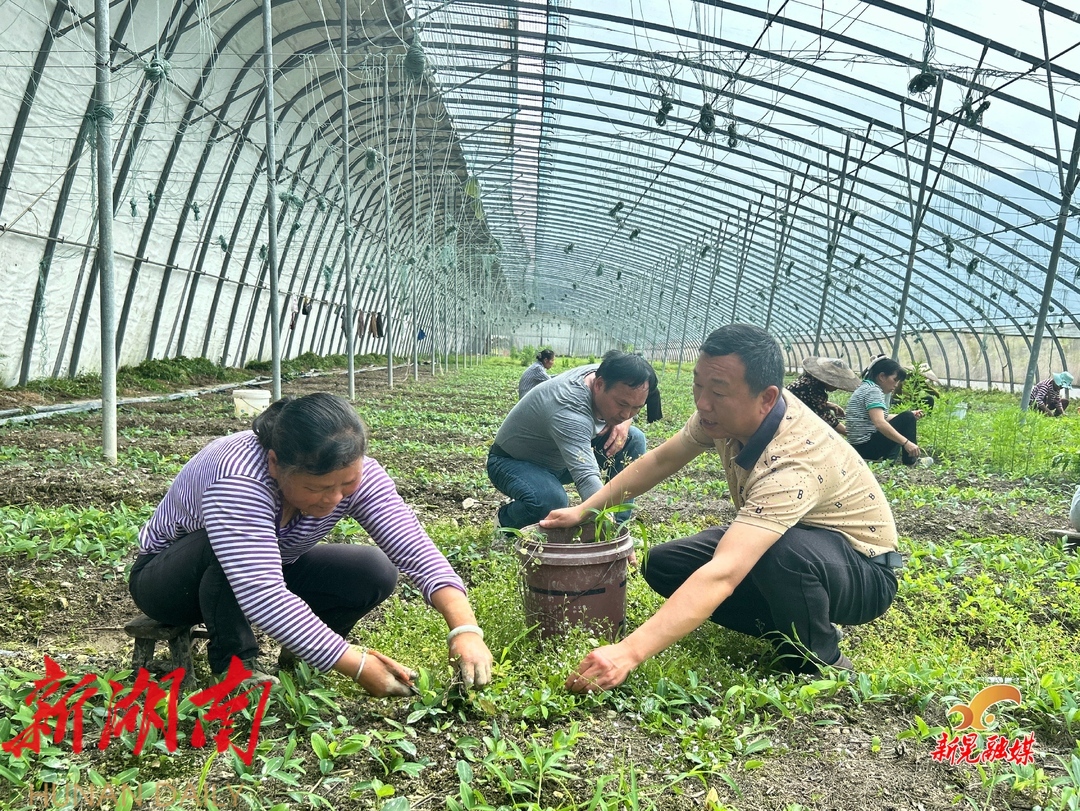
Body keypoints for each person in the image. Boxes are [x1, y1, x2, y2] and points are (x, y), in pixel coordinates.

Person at [541, 324, 900, 690]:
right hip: (794, 538)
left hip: (863, 570)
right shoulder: (721, 418)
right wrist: (584, 509)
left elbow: (724, 573)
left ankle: (820, 655)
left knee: (780, 555)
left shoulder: (792, 463)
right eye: (698, 385)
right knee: (663, 565)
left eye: (718, 391)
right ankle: (790, 624)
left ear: (766, 398)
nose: (702, 402)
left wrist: (628, 653)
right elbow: (662, 460)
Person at [129, 393, 493, 695]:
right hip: (169, 583)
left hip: (268, 566)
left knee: (373, 570)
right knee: (223, 548)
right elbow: (261, 591)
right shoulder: (239, 480)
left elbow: (414, 547)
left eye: (347, 485)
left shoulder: (358, 475)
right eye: (317, 488)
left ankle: (304, 652)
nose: (334, 499)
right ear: (275, 464)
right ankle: (236, 667)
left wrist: (465, 630)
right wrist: (358, 665)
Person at [488, 350, 657, 530]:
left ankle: (619, 526)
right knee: (551, 501)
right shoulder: (569, 407)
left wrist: (625, 422)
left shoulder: (610, 375)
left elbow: (632, 400)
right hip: (513, 463)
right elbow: (586, 477)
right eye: (622, 404)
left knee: (633, 439)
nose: (626, 414)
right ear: (599, 385)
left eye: (636, 408)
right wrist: (604, 523)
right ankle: (505, 521)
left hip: (560, 459)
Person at [846, 357, 930, 467]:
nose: (896, 385)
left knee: (907, 417)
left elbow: (880, 417)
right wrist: (906, 443)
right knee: (907, 417)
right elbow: (879, 423)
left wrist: (904, 417)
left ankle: (889, 461)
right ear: (882, 376)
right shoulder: (873, 391)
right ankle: (911, 461)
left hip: (858, 447)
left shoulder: (865, 387)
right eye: (895, 380)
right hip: (866, 448)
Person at [786, 356, 861, 436]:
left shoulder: (808, 381)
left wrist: (829, 405)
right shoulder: (814, 389)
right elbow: (827, 418)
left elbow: (806, 401)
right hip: (788, 419)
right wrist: (851, 433)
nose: (836, 387)